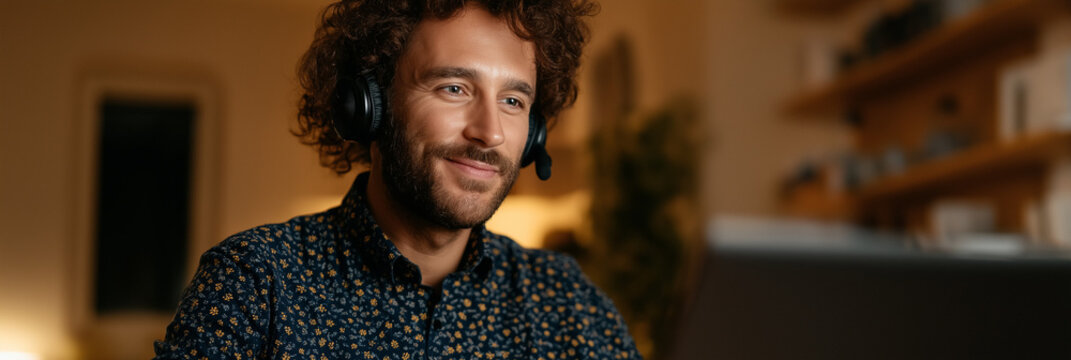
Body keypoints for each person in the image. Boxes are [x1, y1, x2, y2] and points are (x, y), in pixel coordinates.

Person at [153, 0, 641, 359]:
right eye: (454, 88)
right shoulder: (255, 284)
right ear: (370, 106)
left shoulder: (570, 306)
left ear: (534, 132)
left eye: (513, 101)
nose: (490, 131)